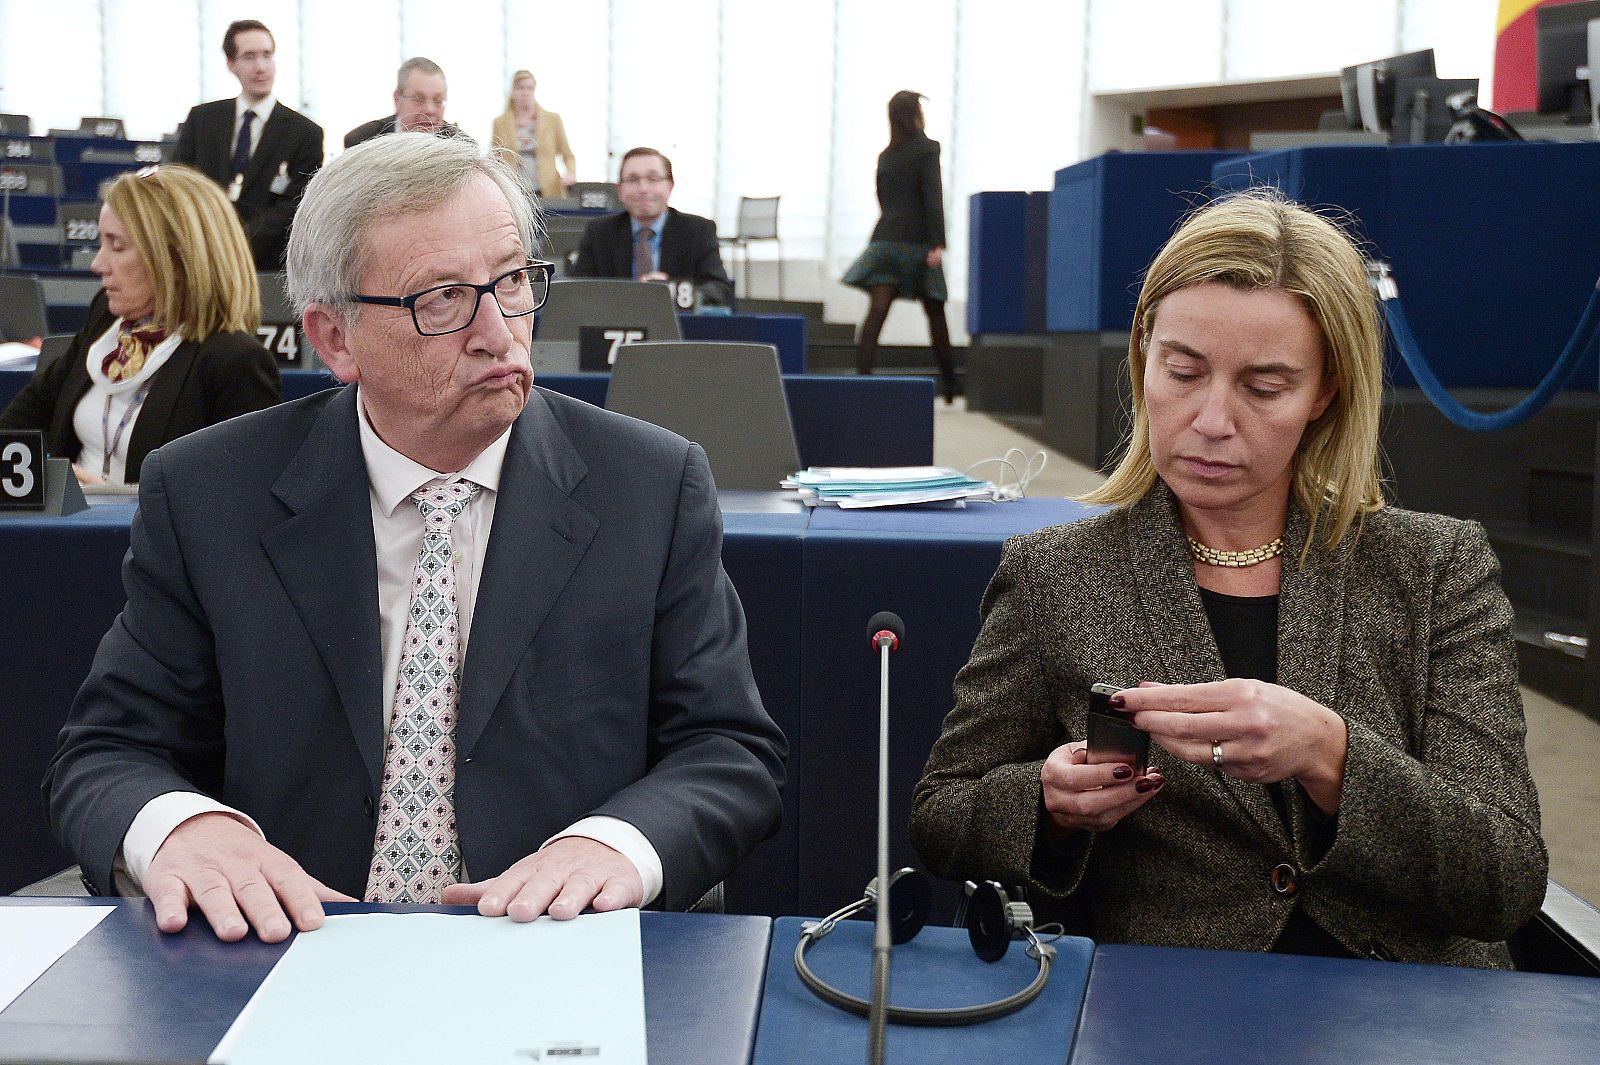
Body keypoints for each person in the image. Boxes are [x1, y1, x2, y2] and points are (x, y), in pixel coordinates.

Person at [43, 132, 786, 944]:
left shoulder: (649, 485)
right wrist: (182, 829)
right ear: (334, 339)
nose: (499, 332)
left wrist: (614, 844)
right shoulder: (207, 492)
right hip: (283, 950)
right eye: (442, 299)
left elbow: (727, 751)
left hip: (548, 949)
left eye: (511, 281)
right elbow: (106, 752)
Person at [908, 190, 1547, 969]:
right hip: (1172, 1006)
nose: (1212, 419)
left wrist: (1332, 756)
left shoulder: (1435, 569)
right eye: (1182, 371)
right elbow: (943, 816)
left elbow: (1507, 877)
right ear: (1144, 355)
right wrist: (1048, 804)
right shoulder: (1054, 573)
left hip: (1405, 1011)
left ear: (1327, 391)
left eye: (1264, 386)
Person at [0, 166, 278, 485]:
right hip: (65, 524)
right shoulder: (106, 316)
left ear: (176, 259)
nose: (97, 264)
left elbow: (237, 502)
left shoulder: (234, 361)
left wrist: (109, 496)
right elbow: (29, 414)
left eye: (116, 247)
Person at [171, 19, 324, 270]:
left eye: (267, 55)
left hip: (265, 267)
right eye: (249, 57)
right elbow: (179, 185)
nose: (261, 67)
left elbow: (294, 207)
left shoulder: (305, 133)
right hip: (199, 259)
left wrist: (233, 244)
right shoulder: (202, 120)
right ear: (231, 64)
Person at [842, 90, 955, 402]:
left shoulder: (886, 156)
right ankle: (950, 386)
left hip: (886, 241)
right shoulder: (928, 149)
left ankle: (861, 379)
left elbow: (882, 198)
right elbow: (933, 197)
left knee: (877, 311)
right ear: (915, 114)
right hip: (918, 243)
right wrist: (937, 242)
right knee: (935, 311)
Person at [570, 147, 733, 308]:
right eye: (633, 180)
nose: (643, 189)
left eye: (653, 179)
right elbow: (576, 289)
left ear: (670, 186)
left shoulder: (698, 230)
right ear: (619, 190)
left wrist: (671, 291)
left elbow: (718, 290)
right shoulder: (599, 232)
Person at [490, 70, 576, 200]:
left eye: (530, 88)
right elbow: (494, 157)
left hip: (547, 192)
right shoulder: (500, 123)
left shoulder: (552, 120)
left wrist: (570, 173)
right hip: (515, 192)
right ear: (513, 92)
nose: (526, 93)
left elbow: (568, 155)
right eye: (521, 88)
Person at [343, 57, 459, 148]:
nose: (430, 110)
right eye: (418, 99)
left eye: (438, 100)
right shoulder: (363, 142)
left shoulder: (460, 146)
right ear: (397, 99)